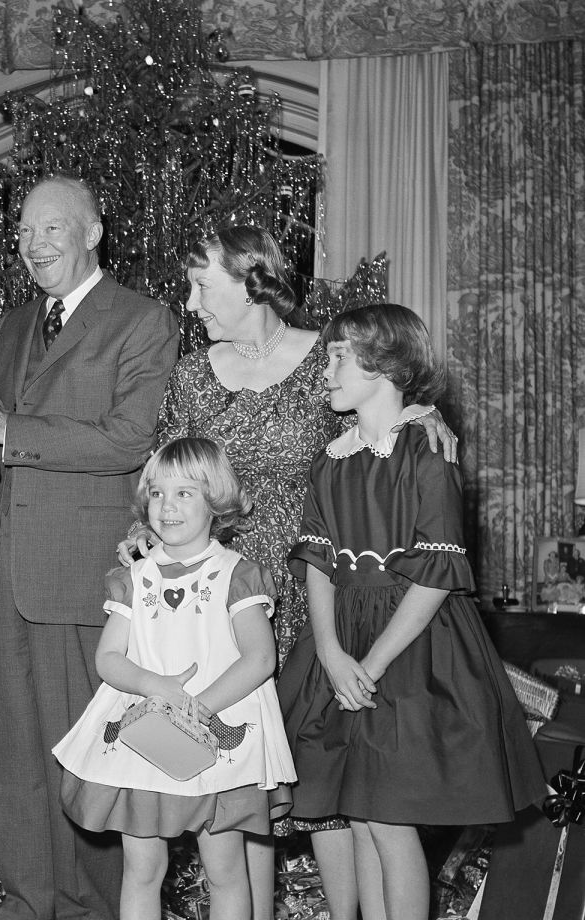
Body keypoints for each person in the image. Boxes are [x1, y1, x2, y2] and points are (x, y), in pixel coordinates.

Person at [118, 227, 457, 920]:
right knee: (239, 773)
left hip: (315, 584)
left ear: (253, 280)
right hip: (221, 589)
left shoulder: (325, 363)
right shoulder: (190, 372)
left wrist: (430, 413)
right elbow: (170, 477)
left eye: (202, 286)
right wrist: (140, 535)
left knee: (325, 774)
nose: (190, 303)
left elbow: (385, 398)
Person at [0, 174, 178, 920]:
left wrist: (10, 430)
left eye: (52, 230)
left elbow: (130, 439)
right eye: (26, 233)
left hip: (80, 572)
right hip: (3, 571)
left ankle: (92, 908)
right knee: (16, 757)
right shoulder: (8, 327)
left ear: (93, 232)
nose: (35, 246)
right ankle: (27, 902)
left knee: (91, 750)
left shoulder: (142, 320)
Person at [278, 303, 546, 920]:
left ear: (386, 363)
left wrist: (368, 663)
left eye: (340, 355)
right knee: (366, 818)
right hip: (343, 645)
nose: (326, 367)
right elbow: (318, 560)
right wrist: (328, 651)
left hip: (407, 650)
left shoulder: (428, 450)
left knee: (390, 821)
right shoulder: (332, 459)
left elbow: (436, 576)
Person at [54, 437, 297, 920]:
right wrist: (154, 685)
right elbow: (108, 657)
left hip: (216, 735)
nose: (167, 506)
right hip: (145, 738)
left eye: (184, 493)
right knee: (142, 868)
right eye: (158, 493)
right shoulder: (134, 577)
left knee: (224, 869)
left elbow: (258, 658)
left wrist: (199, 706)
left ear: (216, 500)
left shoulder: (237, 574)